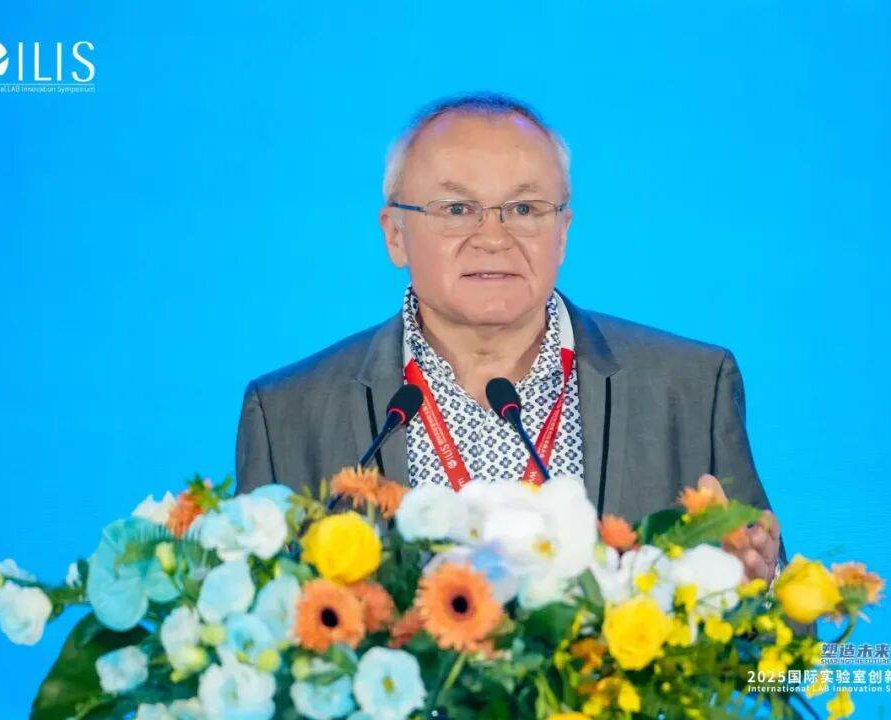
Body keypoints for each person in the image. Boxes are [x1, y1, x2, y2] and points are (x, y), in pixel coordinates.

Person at [235, 93, 784, 582]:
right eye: (457, 210)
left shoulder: (690, 389)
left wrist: (758, 586)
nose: (493, 238)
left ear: (562, 233)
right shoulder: (288, 414)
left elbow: (785, 638)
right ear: (395, 235)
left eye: (523, 209)